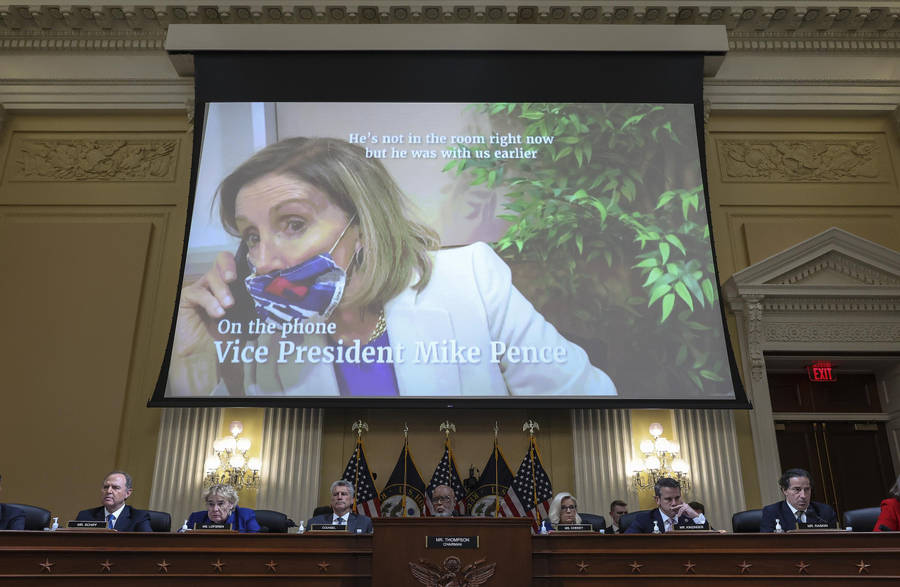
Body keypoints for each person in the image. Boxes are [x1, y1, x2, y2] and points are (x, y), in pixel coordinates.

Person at [169, 137, 616, 398]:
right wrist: (193, 363)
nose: (262, 261)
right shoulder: (274, 338)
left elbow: (589, 401)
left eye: (293, 223)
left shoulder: (471, 280)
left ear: (362, 225)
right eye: (251, 236)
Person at [760, 468, 837, 532]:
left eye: (807, 489)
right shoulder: (772, 512)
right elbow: (768, 544)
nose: (803, 496)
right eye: (797, 489)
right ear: (784, 490)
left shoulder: (825, 512)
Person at [76, 471, 152, 532]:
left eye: (115, 488)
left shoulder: (139, 517)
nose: (109, 491)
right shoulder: (85, 516)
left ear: (127, 493)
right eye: (106, 487)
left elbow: (149, 544)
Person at [625, 478, 706, 533]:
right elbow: (625, 543)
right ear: (657, 500)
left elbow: (713, 540)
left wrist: (696, 516)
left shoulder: (689, 519)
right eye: (668, 499)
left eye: (677, 498)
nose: (674, 503)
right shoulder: (644, 520)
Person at [187, 484, 260, 532]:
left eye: (220, 504)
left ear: (231, 504)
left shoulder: (245, 516)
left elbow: (256, 541)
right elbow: (180, 538)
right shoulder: (196, 518)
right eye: (211, 504)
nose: (215, 509)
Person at [308, 480, 374, 533]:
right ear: (331, 500)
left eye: (343, 494)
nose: (339, 497)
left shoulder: (365, 523)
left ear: (352, 500)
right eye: (336, 494)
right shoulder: (314, 522)